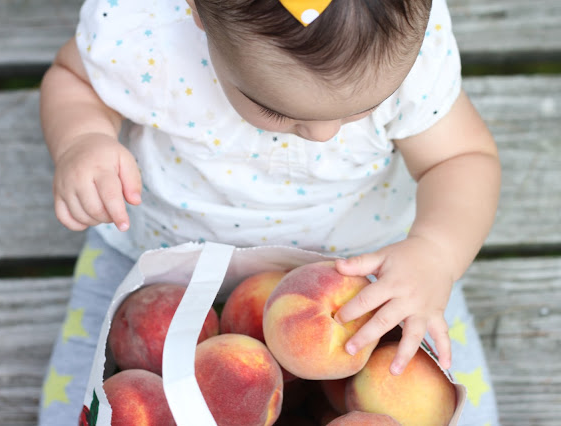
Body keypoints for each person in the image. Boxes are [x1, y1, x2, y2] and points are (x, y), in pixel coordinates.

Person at [39, 0, 501, 424]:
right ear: (197, 12)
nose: (324, 134)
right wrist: (82, 139)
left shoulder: (406, 46)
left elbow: (460, 158)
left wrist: (436, 251)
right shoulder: (147, 34)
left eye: (366, 107)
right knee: (78, 403)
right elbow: (76, 79)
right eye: (277, 112)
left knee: (457, 407)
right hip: (159, 253)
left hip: (373, 272)